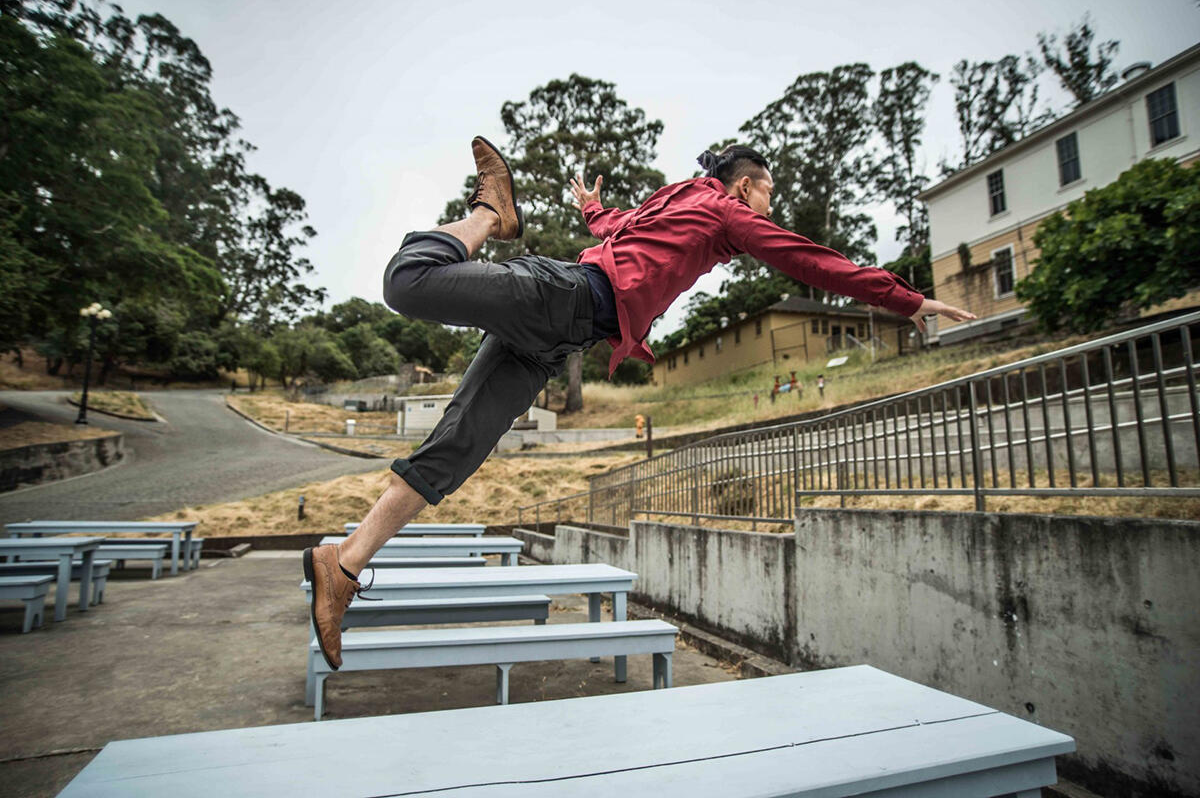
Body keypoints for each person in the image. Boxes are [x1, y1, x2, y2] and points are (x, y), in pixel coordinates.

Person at [303, 137, 976, 670]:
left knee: (455, 450)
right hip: (566, 296)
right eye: (767, 194)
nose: (767, 208)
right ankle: (490, 209)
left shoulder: (681, 200)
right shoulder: (725, 212)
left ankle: (347, 562)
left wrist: (590, 210)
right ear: (744, 187)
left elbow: (622, 226)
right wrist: (905, 297)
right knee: (409, 279)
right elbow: (810, 261)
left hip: (558, 334)